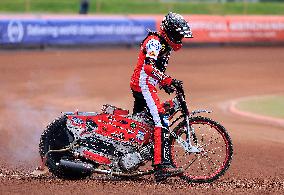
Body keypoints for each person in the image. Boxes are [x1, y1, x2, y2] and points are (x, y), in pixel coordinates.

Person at [130, 12, 193, 182]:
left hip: (147, 85)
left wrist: (164, 84)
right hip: (144, 85)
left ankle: (132, 158)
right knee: (161, 120)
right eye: (179, 35)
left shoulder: (164, 45)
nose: (180, 39)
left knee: (142, 123)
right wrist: (167, 80)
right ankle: (160, 167)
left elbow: (155, 70)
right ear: (170, 32)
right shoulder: (155, 43)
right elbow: (149, 68)